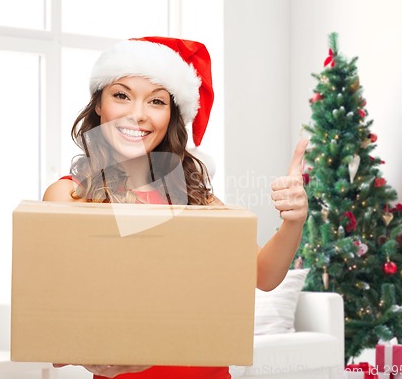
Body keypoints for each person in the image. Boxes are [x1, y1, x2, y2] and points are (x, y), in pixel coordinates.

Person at [43, 36, 308, 379]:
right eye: (121, 95)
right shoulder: (70, 196)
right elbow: (55, 314)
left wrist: (293, 220)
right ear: (98, 104)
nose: (137, 115)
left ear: (172, 115)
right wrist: (91, 354)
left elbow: (264, 275)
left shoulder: (194, 196)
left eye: (155, 101)